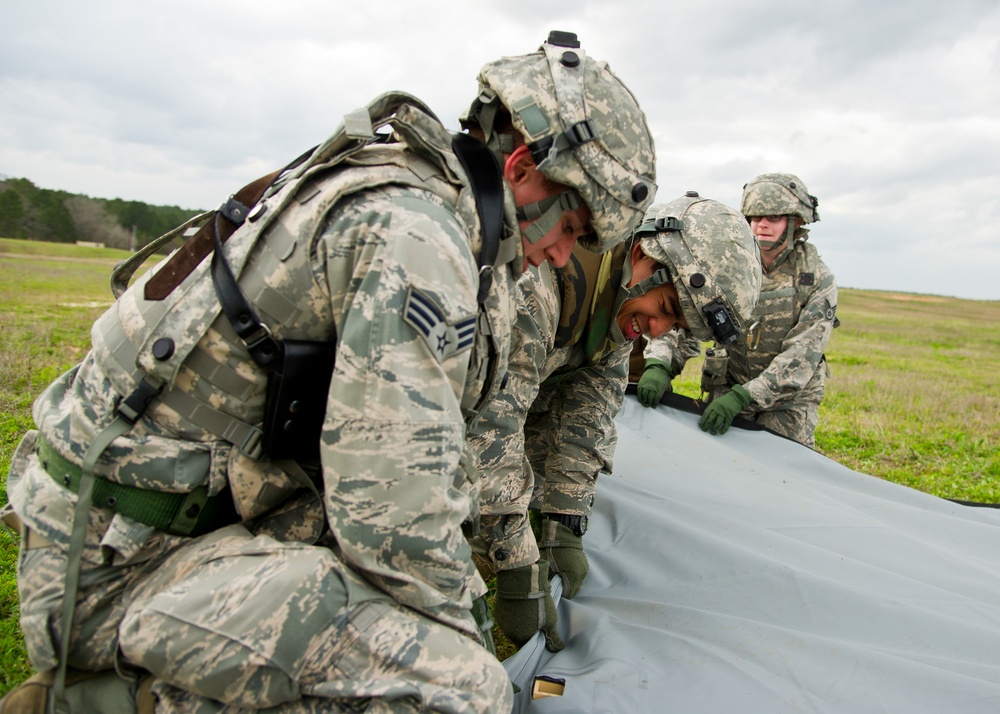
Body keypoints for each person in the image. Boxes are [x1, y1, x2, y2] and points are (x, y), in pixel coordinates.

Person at [0, 31, 656, 713]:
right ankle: (102, 696)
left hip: (152, 526)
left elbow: (428, 460)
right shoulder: (416, 234)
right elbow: (392, 518)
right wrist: (461, 629)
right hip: (118, 570)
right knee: (459, 689)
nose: (559, 256)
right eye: (572, 228)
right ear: (522, 167)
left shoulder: (425, 204)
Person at [469, 192, 762, 649]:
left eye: (677, 326)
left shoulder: (620, 304)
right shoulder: (537, 290)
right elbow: (489, 430)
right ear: (644, 255)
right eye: (666, 308)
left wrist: (563, 520)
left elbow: (588, 417)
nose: (658, 331)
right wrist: (516, 563)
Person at [659, 172, 837, 447]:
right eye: (755, 217)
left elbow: (802, 354)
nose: (762, 225)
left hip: (785, 405)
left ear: (795, 222)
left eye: (773, 218)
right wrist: (660, 362)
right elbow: (690, 316)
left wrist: (746, 396)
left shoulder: (814, 278)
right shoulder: (727, 264)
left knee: (782, 475)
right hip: (728, 391)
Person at [629, 329, 702, 405]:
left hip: (647, 375)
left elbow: (676, 330)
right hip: (621, 363)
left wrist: (659, 366)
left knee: (650, 394)